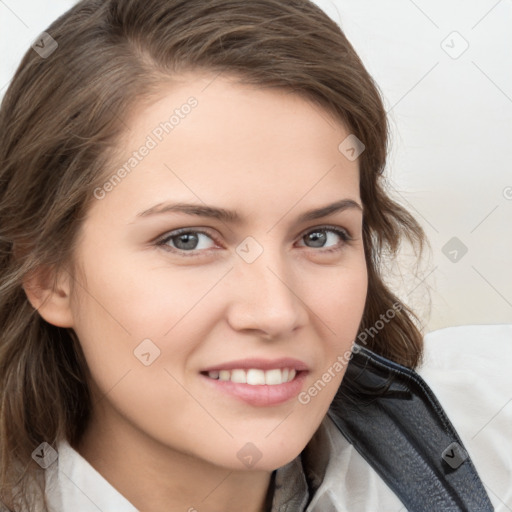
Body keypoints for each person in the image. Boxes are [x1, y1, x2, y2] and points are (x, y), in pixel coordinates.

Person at [0, 0, 509, 510]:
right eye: (189, 240)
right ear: (48, 276)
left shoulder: (485, 430)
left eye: (319, 237)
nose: (276, 312)